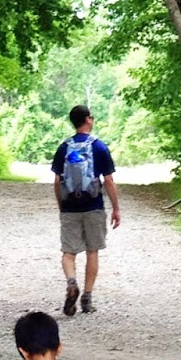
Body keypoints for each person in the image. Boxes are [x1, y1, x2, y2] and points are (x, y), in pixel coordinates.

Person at [51, 104, 120, 315]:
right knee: (92, 250)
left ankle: (71, 282)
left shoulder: (64, 148)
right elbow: (108, 181)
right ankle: (87, 299)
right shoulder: (99, 147)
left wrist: (62, 205)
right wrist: (116, 208)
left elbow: (57, 181)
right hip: (93, 207)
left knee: (68, 252)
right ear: (88, 120)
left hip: (70, 207)